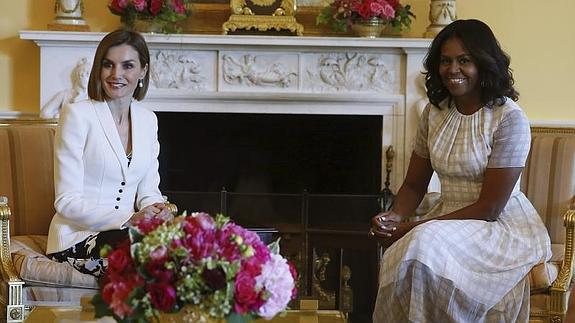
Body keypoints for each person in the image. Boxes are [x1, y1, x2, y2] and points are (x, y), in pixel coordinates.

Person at [370, 19, 551, 322]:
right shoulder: (435, 112)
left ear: (483, 63)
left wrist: (412, 228)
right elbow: (414, 185)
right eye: (445, 61)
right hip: (446, 219)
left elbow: (489, 208)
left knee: (422, 245)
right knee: (405, 253)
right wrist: (394, 217)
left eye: (464, 60)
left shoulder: (509, 118)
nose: (452, 69)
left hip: (499, 227)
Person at [46, 29, 171, 277]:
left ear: (143, 71)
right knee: (146, 256)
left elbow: (148, 192)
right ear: (98, 69)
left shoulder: (148, 120)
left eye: (127, 66)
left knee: (185, 248)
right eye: (108, 65)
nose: (116, 75)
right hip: (76, 238)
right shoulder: (76, 115)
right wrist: (130, 218)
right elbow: (66, 201)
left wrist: (157, 209)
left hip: (129, 234)